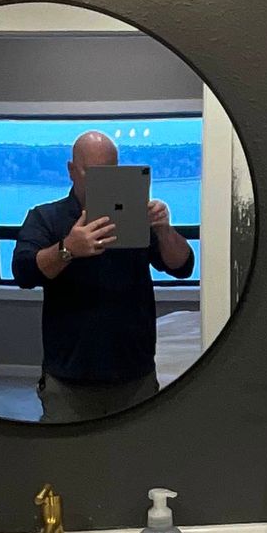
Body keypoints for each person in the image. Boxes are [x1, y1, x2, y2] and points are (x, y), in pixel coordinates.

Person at [10, 129, 193, 423]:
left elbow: (182, 267)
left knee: (136, 460)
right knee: (69, 463)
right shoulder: (46, 217)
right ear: (72, 170)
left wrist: (164, 229)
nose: (102, 181)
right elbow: (23, 272)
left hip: (135, 375)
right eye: (92, 172)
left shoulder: (135, 216)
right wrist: (68, 249)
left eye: (110, 171)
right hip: (69, 379)